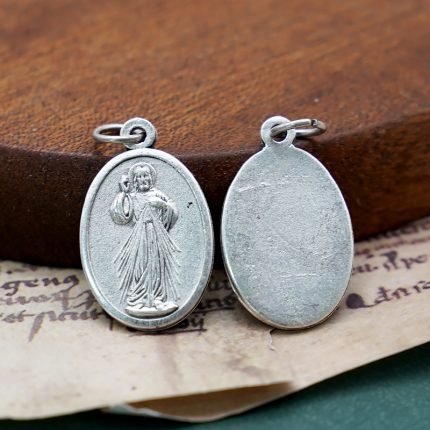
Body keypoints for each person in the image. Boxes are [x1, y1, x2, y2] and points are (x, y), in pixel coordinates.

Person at [110, 162, 180, 317]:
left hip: (157, 235)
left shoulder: (159, 195)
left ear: (150, 178)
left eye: (145, 176)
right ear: (135, 180)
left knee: (157, 266)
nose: (143, 179)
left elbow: (173, 212)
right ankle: (137, 300)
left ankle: (158, 299)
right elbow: (119, 216)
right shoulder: (132, 197)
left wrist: (162, 205)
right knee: (140, 266)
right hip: (139, 236)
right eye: (139, 176)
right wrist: (123, 192)